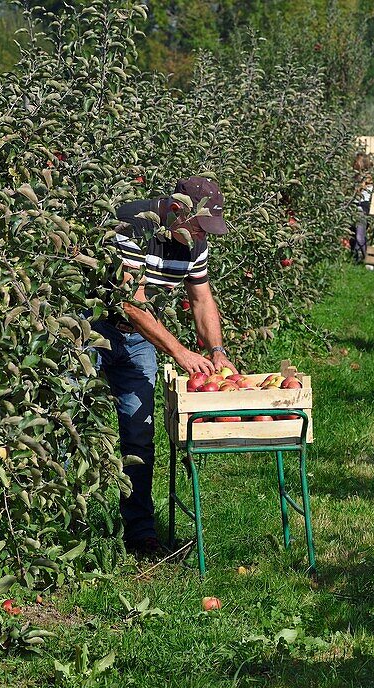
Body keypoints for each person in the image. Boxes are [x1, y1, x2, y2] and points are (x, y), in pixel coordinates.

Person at [94, 176, 236, 559]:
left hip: (140, 339)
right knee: (69, 423)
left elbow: (202, 299)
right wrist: (181, 353)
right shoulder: (133, 225)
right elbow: (132, 304)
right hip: (89, 331)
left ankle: (140, 533)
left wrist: (216, 349)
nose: (202, 237)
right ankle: (57, 528)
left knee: (139, 435)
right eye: (198, 226)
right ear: (176, 210)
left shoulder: (194, 245)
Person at [351, 152, 373, 262]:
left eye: (357, 162)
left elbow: (358, 192)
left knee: (360, 235)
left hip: (361, 209)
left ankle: (365, 258)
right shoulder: (354, 177)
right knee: (354, 234)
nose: (355, 163)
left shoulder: (367, 179)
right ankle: (355, 257)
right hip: (353, 207)